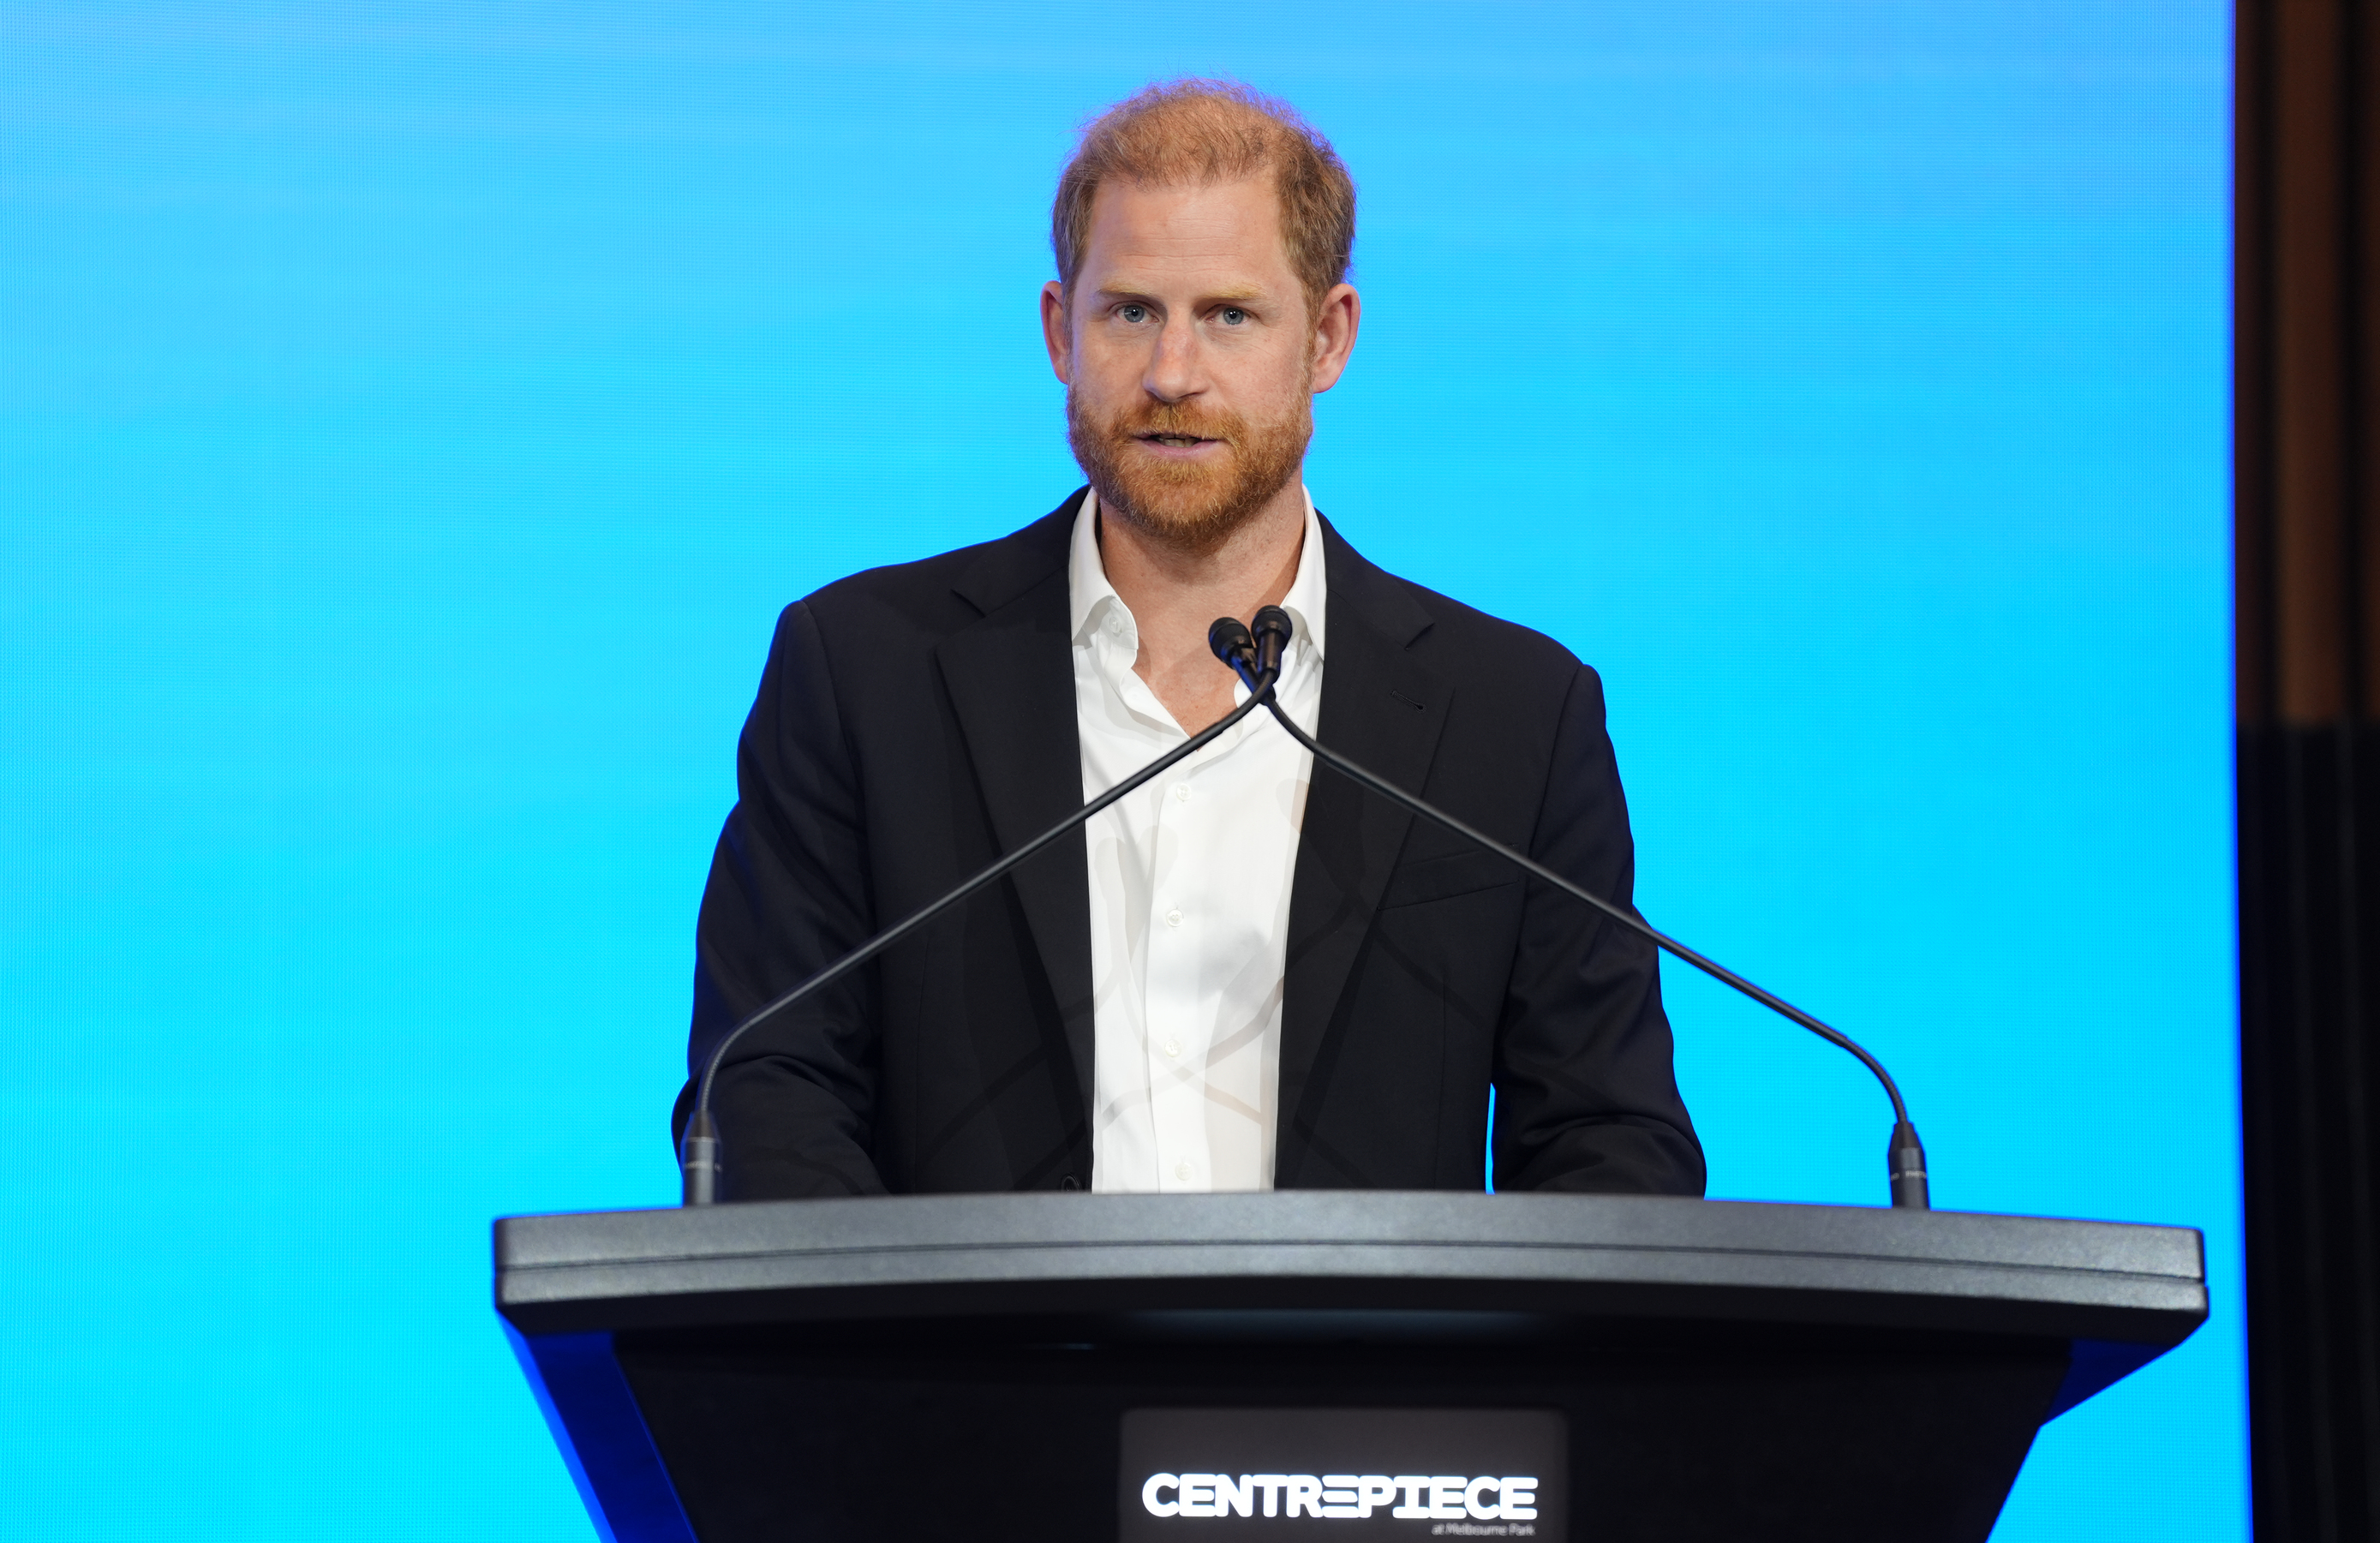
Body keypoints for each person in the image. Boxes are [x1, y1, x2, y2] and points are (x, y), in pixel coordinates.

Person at [674, 80, 1702, 1200]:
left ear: (1328, 338)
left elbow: (1611, 1146)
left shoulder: (1512, 715)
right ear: (1059, 332)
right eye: (1130, 313)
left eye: (1229, 314)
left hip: (1377, 1379)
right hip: (972, 1370)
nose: (1173, 373)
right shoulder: (865, 673)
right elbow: (766, 1089)